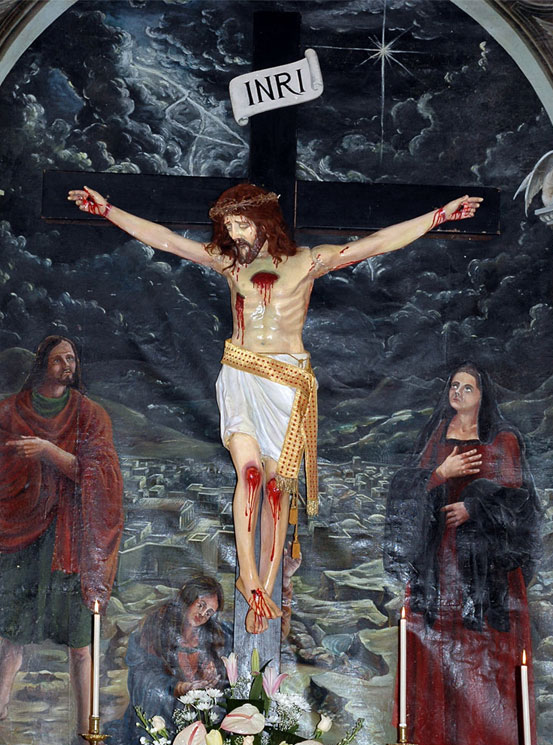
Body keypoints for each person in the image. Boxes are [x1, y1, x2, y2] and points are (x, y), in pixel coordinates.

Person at [68, 182, 482, 633]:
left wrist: (439, 215)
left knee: (275, 488)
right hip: (241, 372)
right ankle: (248, 578)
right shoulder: (229, 262)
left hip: (285, 382)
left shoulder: (308, 261)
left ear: (264, 222)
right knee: (249, 474)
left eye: (241, 225)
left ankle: (267, 583)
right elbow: (167, 241)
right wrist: (108, 210)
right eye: (229, 226)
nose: (235, 234)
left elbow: (377, 243)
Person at [0, 335, 124, 735]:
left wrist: (48, 451)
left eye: (72, 358)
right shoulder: (10, 414)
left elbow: (101, 477)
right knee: (14, 632)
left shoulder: (90, 415)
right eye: (58, 359)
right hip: (24, 537)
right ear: (41, 366)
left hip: (71, 540)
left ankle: (87, 727)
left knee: (80, 641)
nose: (68, 365)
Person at [384, 363, 540, 745]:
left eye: (468, 387)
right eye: (454, 386)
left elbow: (518, 500)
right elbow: (408, 488)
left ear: (483, 395)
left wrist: (473, 507)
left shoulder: (503, 440)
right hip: (439, 563)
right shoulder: (439, 434)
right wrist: (441, 473)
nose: (458, 393)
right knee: (440, 650)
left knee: (480, 652)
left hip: (486, 570)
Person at [105, 575, 231, 745]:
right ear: (188, 597)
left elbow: (225, 678)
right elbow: (142, 676)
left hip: (196, 720)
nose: (202, 614)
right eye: (201, 605)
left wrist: (213, 677)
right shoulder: (157, 625)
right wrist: (177, 687)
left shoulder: (215, 634)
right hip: (160, 715)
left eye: (209, 612)